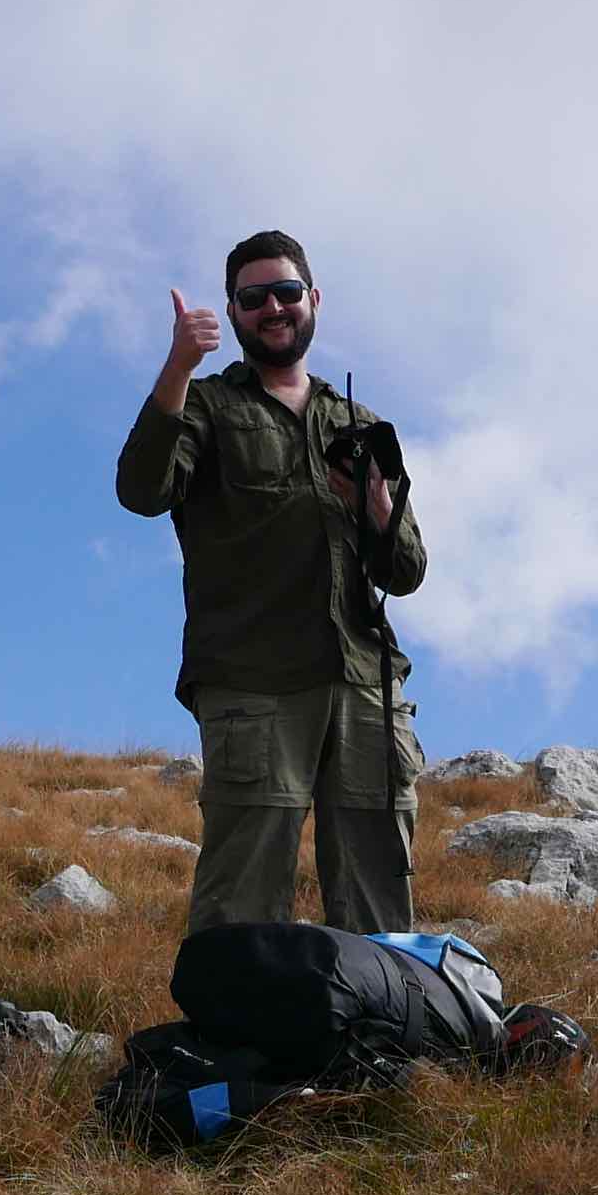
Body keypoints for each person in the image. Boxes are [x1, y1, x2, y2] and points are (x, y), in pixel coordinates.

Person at [115, 233, 428, 931]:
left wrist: (374, 506)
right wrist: (177, 365)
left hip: (363, 683)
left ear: (313, 300)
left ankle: (379, 1031)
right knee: (244, 894)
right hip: (252, 684)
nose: (273, 308)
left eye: (287, 292)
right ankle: (236, 1034)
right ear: (233, 313)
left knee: (379, 890)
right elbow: (141, 489)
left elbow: (405, 570)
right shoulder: (206, 406)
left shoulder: (360, 424)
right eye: (253, 298)